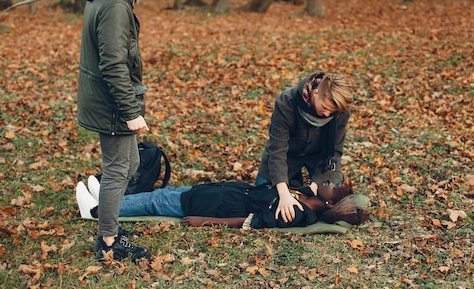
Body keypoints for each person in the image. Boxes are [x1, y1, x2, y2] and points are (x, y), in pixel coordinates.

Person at [77, 0, 163, 262]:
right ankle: (109, 242)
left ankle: (109, 224)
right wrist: (130, 111)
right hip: (111, 103)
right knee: (118, 170)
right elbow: (112, 64)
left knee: (132, 165)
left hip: (110, 99)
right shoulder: (114, 5)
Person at [76, 175, 369, 229]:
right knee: (163, 194)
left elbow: (253, 222)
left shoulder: (297, 213)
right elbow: (312, 183)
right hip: (220, 192)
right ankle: (107, 198)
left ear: (331, 205)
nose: (332, 182)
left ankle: (96, 211)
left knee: (156, 201)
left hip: (216, 208)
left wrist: (207, 222)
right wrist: (315, 188)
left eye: (336, 188)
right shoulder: (306, 193)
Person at [255, 72, 353, 224]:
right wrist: (284, 193)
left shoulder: (340, 111)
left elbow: (334, 152)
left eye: (332, 112)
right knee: (264, 198)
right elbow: (277, 150)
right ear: (315, 93)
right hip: (287, 155)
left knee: (335, 203)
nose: (327, 114)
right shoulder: (286, 102)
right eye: (325, 107)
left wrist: (315, 183)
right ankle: (292, 182)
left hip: (320, 158)